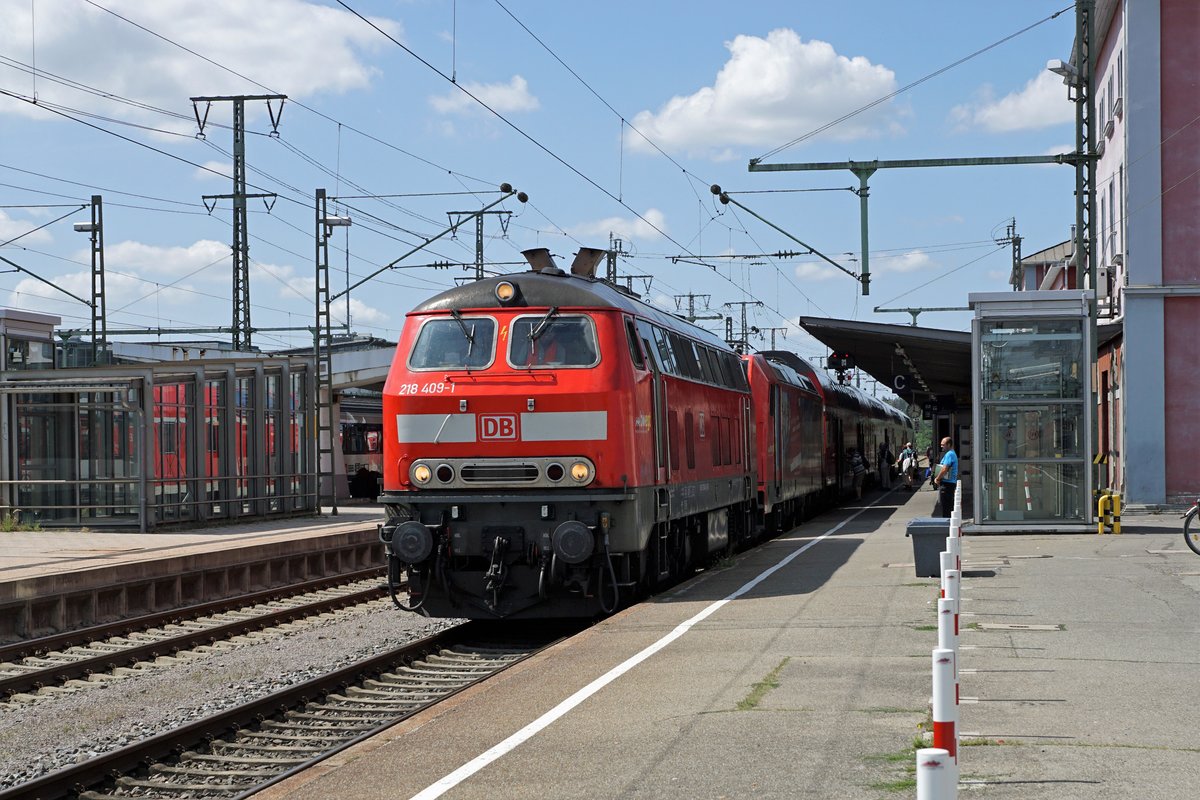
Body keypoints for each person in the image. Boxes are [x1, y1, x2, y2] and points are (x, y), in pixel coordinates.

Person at [932, 436, 959, 517]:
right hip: (949, 483)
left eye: (943, 445)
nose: (941, 446)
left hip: (947, 484)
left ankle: (947, 524)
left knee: (946, 507)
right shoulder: (951, 453)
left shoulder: (949, 454)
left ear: (949, 444)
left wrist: (937, 478)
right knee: (948, 506)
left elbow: (944, 469)